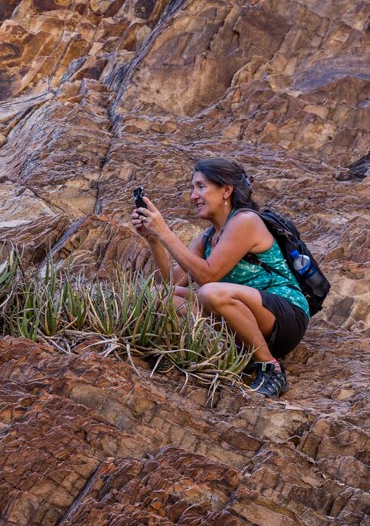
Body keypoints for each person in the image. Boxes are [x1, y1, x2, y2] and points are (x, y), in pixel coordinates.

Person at [131, 157, 309, 399]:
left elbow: (209, 275)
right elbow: (169, 285)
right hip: (239, 319)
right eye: (192, 188)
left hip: (284, 316)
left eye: (201, 187)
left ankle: (271, 369)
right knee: (161, 297)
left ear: (226, 190)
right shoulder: (206, 238)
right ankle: (224, 355)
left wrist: (166, 232)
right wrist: (154, 239)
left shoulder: (246, 221)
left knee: (210, 292)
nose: (193, 196)